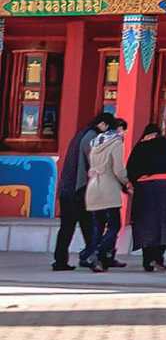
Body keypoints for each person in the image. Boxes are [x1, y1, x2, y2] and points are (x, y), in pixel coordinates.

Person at [52, 111, 111, 271]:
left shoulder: (80, 135)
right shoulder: (91, 137)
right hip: (79, 190)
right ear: (103, 124)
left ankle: (61, 261)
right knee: (88, 225)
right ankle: (91, 258)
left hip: (68, 189)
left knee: (68, 227)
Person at [126, 121, 166, 272]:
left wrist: (133, 184)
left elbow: (131, 169)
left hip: (145, 188)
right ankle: (159, 259)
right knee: (164, 223)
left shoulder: (140, 147)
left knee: (146, 223)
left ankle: (147, 260)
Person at [82, 116, 129, 271]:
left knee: (98, 225)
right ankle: (98, 252)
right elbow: (118, 169)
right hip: (108, 187)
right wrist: (126, 182)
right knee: (115, 225)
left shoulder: (95, 142)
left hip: (93, 186)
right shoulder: (116, 142)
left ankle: (96, 258)